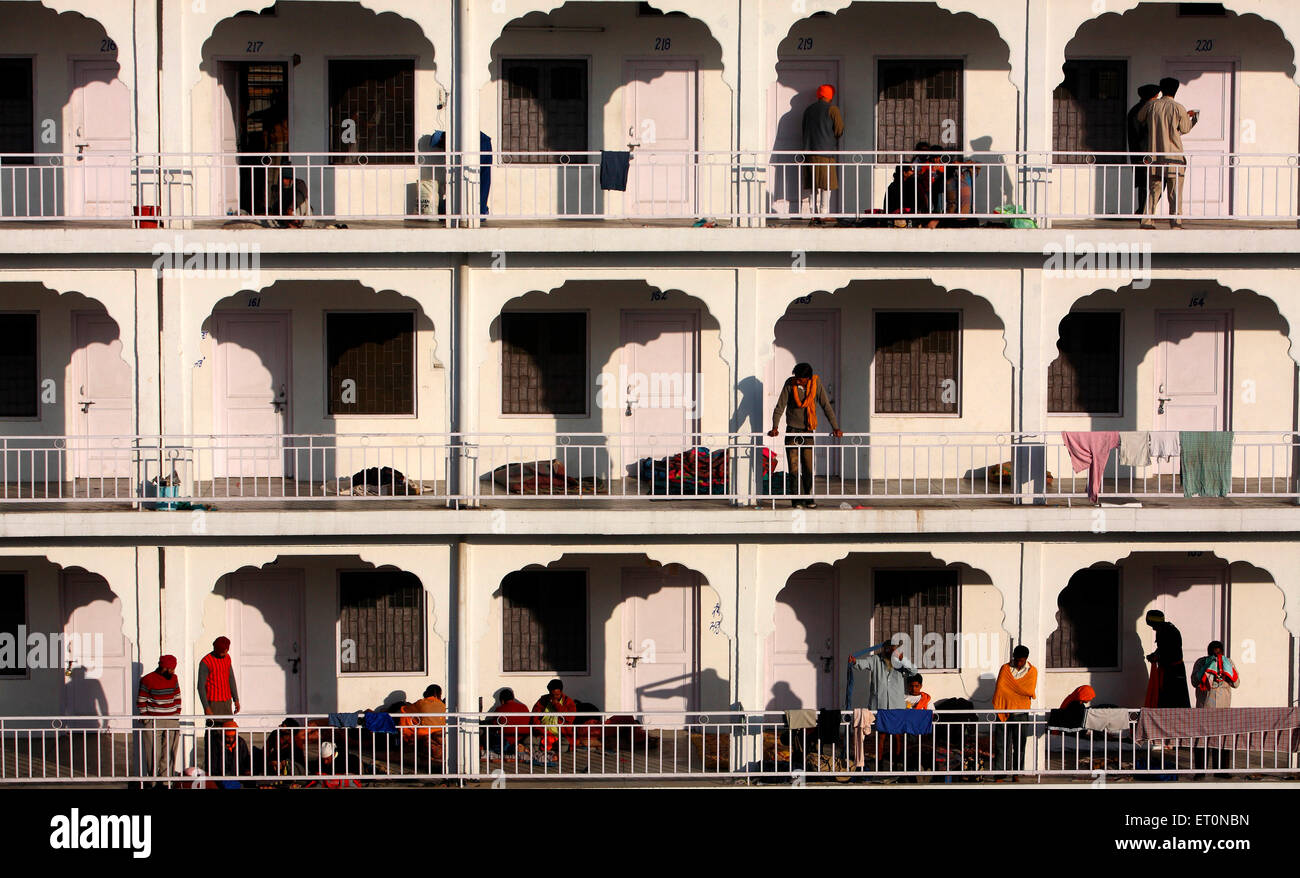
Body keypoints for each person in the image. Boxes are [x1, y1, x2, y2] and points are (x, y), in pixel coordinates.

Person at [768, 362, 843, 509]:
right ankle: (796, 499)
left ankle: (808, 497)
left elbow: (826, 406)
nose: (796, 380)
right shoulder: (790, 384)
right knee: (794, 467)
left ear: (807, 378)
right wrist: (775, 426)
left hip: (807, 431)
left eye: (800, 378)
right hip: (792, 431)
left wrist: (835, 427)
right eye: (795, 377)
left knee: (808, 467)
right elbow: (780, 406)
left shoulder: (816, 384)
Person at [1137, 77, 1198, 229]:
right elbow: (1185, 128)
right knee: (1175, 193)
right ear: (1176, 90)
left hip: (1155, 157)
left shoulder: (1151, 106)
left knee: (1153, 191)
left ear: (1162, 89)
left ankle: (1147, 221)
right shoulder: (1178, 108)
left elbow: (1140, 118)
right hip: (1174, 157)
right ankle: (1176, 222)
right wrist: (1194, 119)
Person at [847, 639, 918, 768]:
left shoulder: (900, 663)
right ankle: (879, 765)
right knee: (881, 736)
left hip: (896, 706)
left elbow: (913, 671)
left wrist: (903, 659)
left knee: (897, 736)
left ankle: (896, 765)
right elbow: (863, 663)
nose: (890, 652)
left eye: (892, 650)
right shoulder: (876, 659)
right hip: (880, 705)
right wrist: (854, 661)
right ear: (884, 650)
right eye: (888, 649)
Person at [1191, 641, 1240, 772]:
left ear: (1223, 653)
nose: (1216, 656)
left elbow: (1236, 683)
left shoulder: (1228, 662)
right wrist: (1207, 668)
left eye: (1219, 653)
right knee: (1201, 742)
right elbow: (1194, 682)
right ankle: (1200, 771)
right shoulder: (1201, 662)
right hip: (1204, 708)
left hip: (1223, 708)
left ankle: (1222, 771)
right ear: (1208, 653)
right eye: (1214, 653)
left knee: (1222, 741)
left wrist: (1226, 669)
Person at [801, 84, 844, 225]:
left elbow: (803, 129)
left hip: (809, 152)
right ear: (830, 95)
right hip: (826, 153)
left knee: (813, 184)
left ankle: (813, 213)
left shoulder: (808, 110)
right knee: (826, 184)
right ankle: (824, 213)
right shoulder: (832, 109)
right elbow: (839, 130)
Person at [136, 654, 181, 788]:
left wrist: (177, 713)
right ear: (163, 667)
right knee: (153, 753)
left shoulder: (174, 678)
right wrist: (146, 719)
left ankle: (166, 781)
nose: (173, 671)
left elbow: (178, 696)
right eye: (171, 668)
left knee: (169, 752)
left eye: (174, 668)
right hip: (153, 721)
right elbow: (141, 700)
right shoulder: (147, 679)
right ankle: (153, 781)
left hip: (171, 719)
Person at [992, 645, 1038, 774]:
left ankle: (1016, 773)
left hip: (1021, 713)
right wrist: (1017, 693)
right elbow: (1000, 689)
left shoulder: (1032, 671)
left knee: (1019, 746)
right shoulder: (1005, 668)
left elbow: (1029, 690)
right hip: (1003, 711)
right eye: (1017, 660)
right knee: (1002, 746)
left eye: (1021, 660)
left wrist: (1012, 691)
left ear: (1026, 659)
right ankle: (1000, 773)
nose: (1018, 663)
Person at [1126, 83, 1161, 214]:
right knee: (1147, 183)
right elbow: (1141, 134)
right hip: (1144, 153)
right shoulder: (1141, 111)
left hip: (1141, 153)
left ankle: (1143, 209)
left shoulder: (1137, 110)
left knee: (1144, 184)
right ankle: (1143, 210)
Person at [1144, 609, 1191, 708]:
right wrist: (1155, 654)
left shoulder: (1166, 631)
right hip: (1171, 670)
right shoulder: (1165, 629)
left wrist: (1156, 656)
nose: (1153, 629)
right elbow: (1162, 649)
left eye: (1153, 625)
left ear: (1156, 623)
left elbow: (1169, 650)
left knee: (1173, 700)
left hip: (1173, 672)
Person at [532, 678, 578, 757]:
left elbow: (570, 718)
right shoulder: (542, 700)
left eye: (557, 695)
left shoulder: (569, 702)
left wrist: (557, 705)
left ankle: (555, 757)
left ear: (561, 692)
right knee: (530, 741)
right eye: (552, 695)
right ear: (549, 692)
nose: (555, 697)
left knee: (564, 745)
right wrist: (543, 732)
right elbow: (534, 718)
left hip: (561, 735)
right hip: (543, 734)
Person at [485, 688, 531, 755]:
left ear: (502, 700)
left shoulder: (500, 709)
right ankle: (519, 748)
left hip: (507, 740)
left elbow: (494, 726)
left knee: (488, 733)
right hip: (523, 738)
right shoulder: (524, 707)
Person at [208, 720, 251, 788]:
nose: (230, 740)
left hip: (238, 775)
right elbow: (213, 765)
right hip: (221, 776)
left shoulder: (241, 742)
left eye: (232, 737)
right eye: (228, 737)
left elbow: (246, 759)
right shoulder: (216, 744)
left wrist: (247, 770)